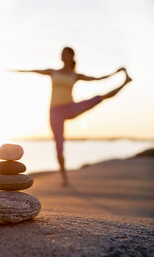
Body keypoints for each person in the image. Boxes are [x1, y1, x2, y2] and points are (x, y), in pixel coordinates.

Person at [12, 47, 132, 185]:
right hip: (55, 112)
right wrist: (15, 70)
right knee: (59, 145)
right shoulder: (53, 71)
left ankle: (125, 82)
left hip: (70, 108)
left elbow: (97, 79)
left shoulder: (75, 75)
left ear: (71, 56)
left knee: (99, 98)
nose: (61, 55)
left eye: (64, 53)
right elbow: (33, 71)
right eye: (61, 53)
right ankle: (64, 178)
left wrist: (115, 73)